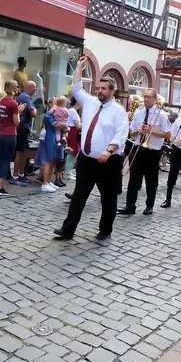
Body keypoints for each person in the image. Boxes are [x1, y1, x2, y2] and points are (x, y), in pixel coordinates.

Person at [53, 56, 129, 240]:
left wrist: (109, 150)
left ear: (112, 91)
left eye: (104, 88)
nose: (100, 91)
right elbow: (76, 88)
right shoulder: (90, 102)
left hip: (108, 161)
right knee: (79, 196)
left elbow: (121, 135)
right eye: (98, 88)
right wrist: (79, 67)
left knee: (108, 197)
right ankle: (67, 230)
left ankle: (105, 230)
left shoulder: (118, 111)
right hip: (87, 160)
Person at [118, 88, 171, 215]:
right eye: (145, 97)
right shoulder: (139, 112)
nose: (146, 99)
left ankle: (149, 206)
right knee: (133, 179)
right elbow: (131, 132)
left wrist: (151, 131)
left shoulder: (161, 114)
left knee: (150, 180)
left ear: (154, 99)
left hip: (153, 151)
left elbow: (168, 135)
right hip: (138, 147)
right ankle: (130, 206)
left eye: (149, 97)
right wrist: (139, 131)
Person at [0, 81, 22, 196]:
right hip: (10, 133)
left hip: (1, 133)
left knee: (0, 159)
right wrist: (19, 112)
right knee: (6, 160)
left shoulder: (2, 101)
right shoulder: (13, 103)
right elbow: (16, 122)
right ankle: (0, 187)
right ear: (14, 88)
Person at [41, 97, 68, 193]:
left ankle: (48, 181)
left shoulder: (55, 113)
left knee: (53, 160)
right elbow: (56, 125)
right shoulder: (49, 114)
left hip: (55, 137)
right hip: (50, 137)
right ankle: (45, 183)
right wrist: (65, 127)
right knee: (49, 160)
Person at [12, 81, 37, 185]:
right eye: (34, 88)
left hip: (22, 128)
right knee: (20, 152)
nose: (36, 90)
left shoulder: (22, 97)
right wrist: (35, 110)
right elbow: (33, 113)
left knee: (23, 152)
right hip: (22, 128)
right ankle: (16, 175)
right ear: (29, 87)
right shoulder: (26, 97)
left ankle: (21, 174)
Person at [64, 98, 82, 180]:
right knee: (72, 152)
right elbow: (77, 125)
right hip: (73, 133)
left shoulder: (71, 111)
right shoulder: (73, 111)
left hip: (73, 132)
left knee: (72, 152)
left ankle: (68, 171)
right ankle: (67, 172)